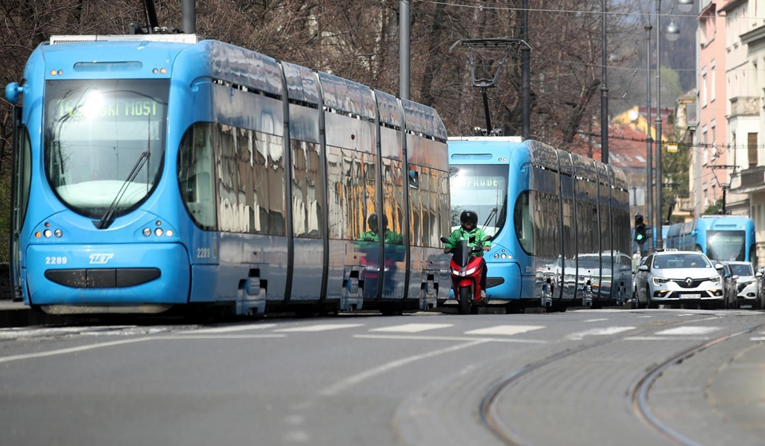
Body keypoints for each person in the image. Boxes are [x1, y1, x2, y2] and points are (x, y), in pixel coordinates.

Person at [444, 209, 491, 298]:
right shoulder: (457, 233)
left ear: (474, 222)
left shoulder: (479, 232)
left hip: (475, 258)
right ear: (462, 222)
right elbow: (451, 241)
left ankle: (482, 290)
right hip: (460, 258)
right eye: (466, 221)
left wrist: (487, 245)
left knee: (484, 267)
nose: (468, 223)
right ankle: (454, 287)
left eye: (471, 221)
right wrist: (448, 247)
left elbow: (485, 239)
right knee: (450, 268)